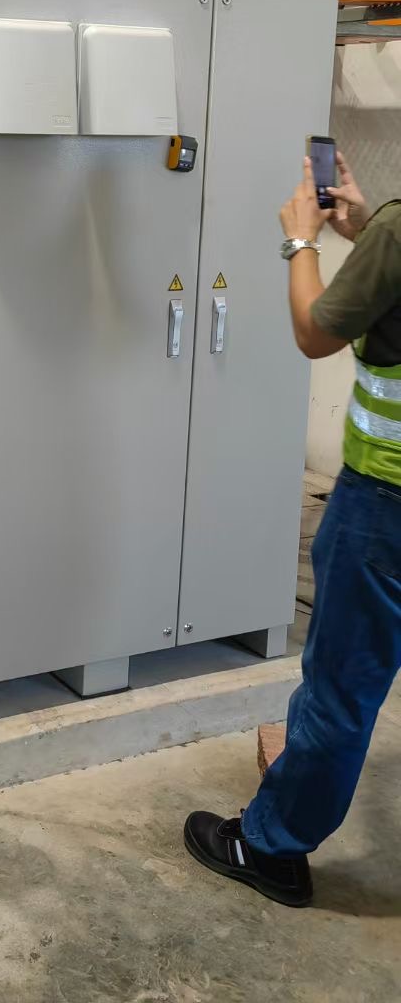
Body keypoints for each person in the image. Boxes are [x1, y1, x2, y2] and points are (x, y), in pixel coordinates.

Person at [184, 150, 401, 907]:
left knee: (341, 688)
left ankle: (270, 847)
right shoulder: (390, 233)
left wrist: (302, 238)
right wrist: (367, 230)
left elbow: (315, 332)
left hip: (386, 507)